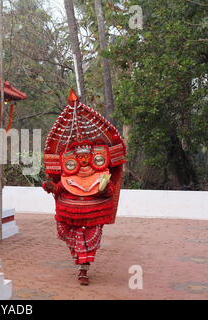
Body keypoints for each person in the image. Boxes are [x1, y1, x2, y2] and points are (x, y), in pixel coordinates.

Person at [43, 90, 126, 286]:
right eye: (78, 158)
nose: (82, 160)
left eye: (86, 157)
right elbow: (59, 189)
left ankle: (84, 268)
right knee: (69, 234)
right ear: (72, 159)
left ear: (93, 156)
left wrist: (104, 187)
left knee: (90, 241)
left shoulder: (101, 173)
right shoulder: (68, 176)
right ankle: (81, 262)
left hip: (94, 212)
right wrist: (50, 187)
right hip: (70, 213)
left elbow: (109, 191)